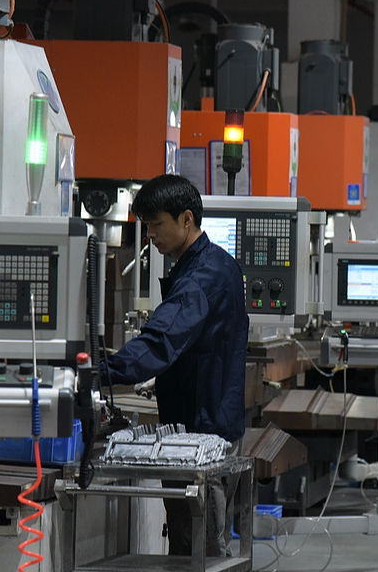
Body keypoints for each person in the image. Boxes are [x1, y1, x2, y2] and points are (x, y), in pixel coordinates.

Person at [99, 174, 249, 557]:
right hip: (201, 425)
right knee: (190, 547)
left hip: (205, 434)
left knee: (203, 550)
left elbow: (164, 339)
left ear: (186, 219)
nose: (150, 235)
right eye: (146, 226)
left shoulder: (204, 275)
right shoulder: (208, 264)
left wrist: (104, 372)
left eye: (156, 224)